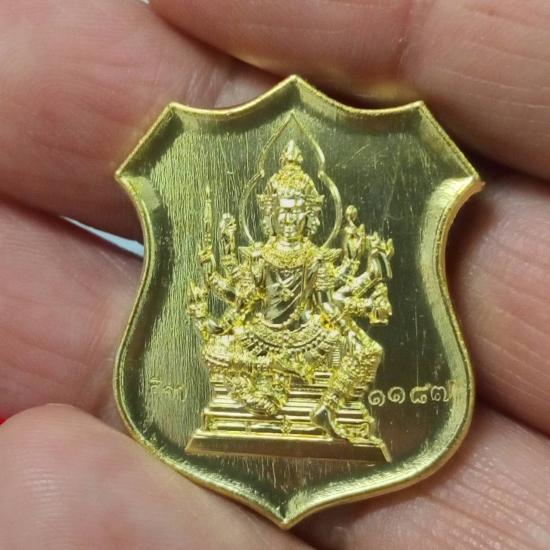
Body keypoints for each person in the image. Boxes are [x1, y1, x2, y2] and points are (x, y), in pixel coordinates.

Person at [1, 0, 549, 548]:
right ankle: (275, 403)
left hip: (312, 337)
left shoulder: (317, 257)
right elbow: (240, 304)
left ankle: (332, 411)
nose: (288, 219)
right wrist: (215, 293)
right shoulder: (260, 257)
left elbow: (333, 301)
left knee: (365, 354)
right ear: (266, 213)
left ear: (311, 215)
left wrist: (361, 283)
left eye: (297, 212)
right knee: (219, 351)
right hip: (262, 337)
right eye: (280, 211)